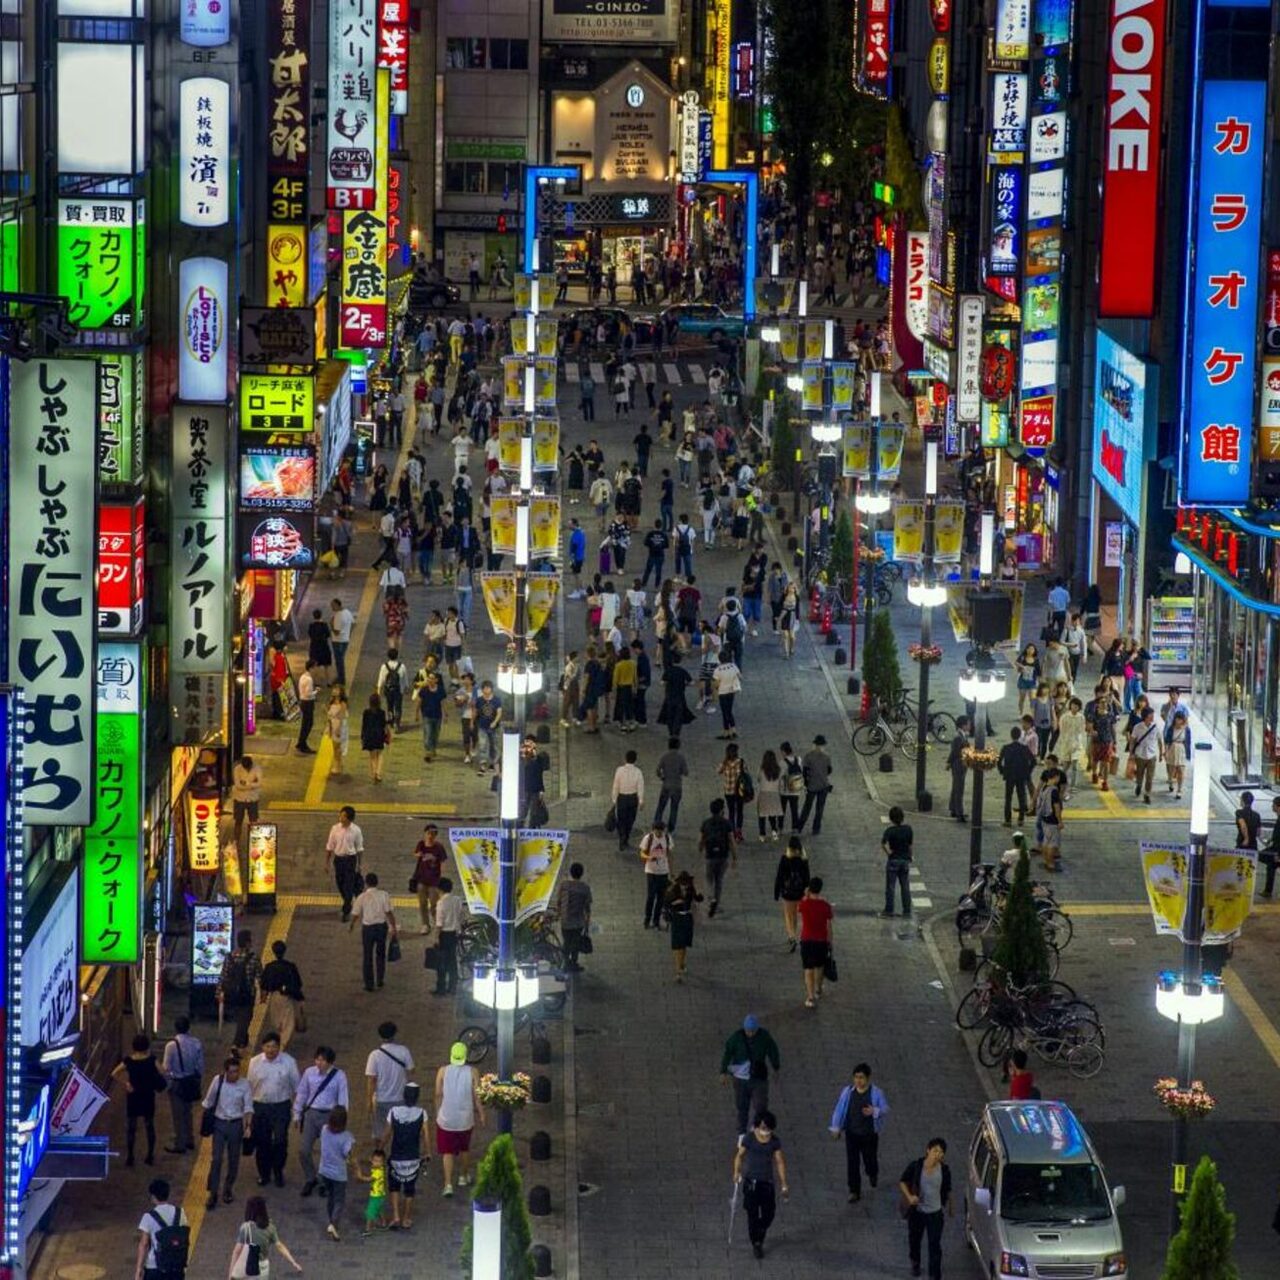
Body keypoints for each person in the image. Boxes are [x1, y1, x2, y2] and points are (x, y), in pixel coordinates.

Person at [828, 1062, 891, 1202]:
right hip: (852, 1134)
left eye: (861, 1077)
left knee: (870, 1160)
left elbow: (885, 1108)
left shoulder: (876, 1093)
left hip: (869, 1135)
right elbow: (839, 1109)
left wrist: (874, 1111)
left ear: (868, 1078)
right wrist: (836, 1127)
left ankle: (872, 1173)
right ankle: (854, 1190)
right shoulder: (848, 1092)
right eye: (856, 1077)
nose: (858, 1081)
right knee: (852, 1163)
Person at [732, 1110, 789, 1260]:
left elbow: (779, 1162)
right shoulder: (750, 1139)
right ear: (757, 1126)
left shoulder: (774, 1142)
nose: (765, 1131)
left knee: (769, 1214)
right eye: (762, 1127)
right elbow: (739, 1156)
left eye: (767, 1128)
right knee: (752, 1214)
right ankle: (757, 1242)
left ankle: (761, 1229)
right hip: (751, 1182)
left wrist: (784, 1184)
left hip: (767, 1183)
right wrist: (736, 1172)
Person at [201, 1055, 254, 1210]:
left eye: (237, 1071)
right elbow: (208, 1101)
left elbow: (248, 1107)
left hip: (236, 1125)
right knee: (216, 1159)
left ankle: (228, 1188)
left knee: (233, 1159)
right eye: (231, 1072)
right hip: (219, 1123)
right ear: (225, 1072)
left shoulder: (245, 1085)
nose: (234, 1075)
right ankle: (213, 1193)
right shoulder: (217, 1081)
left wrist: (248, 1126)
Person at [248, 1032, 300, 1190]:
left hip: (281, 1107)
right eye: (268, 1046)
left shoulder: (289, 1062)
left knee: (280, 1141)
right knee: (262, 1142)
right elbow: (249, 1087)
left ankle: (278, 1171)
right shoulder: (254, 1062)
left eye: (274, 1047)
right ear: (263, 1047)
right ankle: (264, 1174)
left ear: (279, 1047)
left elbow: (297, 1087)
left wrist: (297, 1111)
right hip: (260, 1107)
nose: (271, 1050)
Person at [295, 1046, 350, 1197]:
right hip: (312, 1114)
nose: (319, 1063)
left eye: (323, 1060)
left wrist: (341, 1119)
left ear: (330, 1062)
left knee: (327, 1152)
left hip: (330, 1116)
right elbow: (302, 1093)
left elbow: (343, 1098)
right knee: (304, 1150)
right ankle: (310, 1177)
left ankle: (324, 1181)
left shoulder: (339, 1076)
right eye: (317, 1059)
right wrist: (297, 1114)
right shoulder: (309, 1073)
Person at [899, 1138, 952, 1279]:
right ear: (928, 1150)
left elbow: (947, 1189)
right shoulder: (916, 1166)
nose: (937, 1154)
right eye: (935, 1151)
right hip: (917, 1212)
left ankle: (934, 1275)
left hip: (935, 1214)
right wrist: (910, 1197)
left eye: (941, 1152)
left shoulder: (944, 1171)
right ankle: (915, 1262)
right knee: (915, 1240)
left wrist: (950, 1206)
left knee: (934, 1245)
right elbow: (903, 1181)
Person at [435, 1042, 484, 1196]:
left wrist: (438, 1112)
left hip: (446, 1118)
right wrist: (482, 1113)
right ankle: (463, 1176)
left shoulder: (442, 1071)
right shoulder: (473, 1071)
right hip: (465, 1118)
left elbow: (438, 1094)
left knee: (447, 1152)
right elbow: (477, 1096)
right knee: (464, 1148)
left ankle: (448, 1184)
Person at [720, 1015, 781, 1135]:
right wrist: (723, 1071)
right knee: (742, 1107)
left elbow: (773, 1051)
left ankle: (757, 1128)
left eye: (753, 1031)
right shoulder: (736, 1038)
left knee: (760, 1105)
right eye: (748, 1031)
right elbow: (728, 1053)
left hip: (758, 1077)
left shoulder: (764, 1037)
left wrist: (776, 1067)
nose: (751, 1033)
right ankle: (741, 1134)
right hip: (740, 1078)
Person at [112, 1033, 166, 1166]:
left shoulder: (129, 1060)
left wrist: (126, 1083)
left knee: (131, 1127)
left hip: (133, 1095)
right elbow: (163, 1071)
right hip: (148, 1095)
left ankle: (130, 1156)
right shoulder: (152, 1059)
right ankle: (150, 1155)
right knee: (149, 1125)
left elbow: (114, 1073)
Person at [384, 1081, 429, 1230]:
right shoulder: (422, 1113)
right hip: (413, 1158)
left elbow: (387, 1133)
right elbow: (426, 1136)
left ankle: (396, 1215)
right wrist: (427, 1152)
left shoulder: (393, 1111)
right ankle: (406, 1218)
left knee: (394, 1187)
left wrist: (379, 1148)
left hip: (396, 1156)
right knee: (410, 1189)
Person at [229, 1195, 303, 1276]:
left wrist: (230, 1274)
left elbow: (236, 1252)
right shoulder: (270, 1227)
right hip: (263, 1267)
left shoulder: (246, 1228)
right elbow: (279, 1246)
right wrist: (293, 1262)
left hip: (248, 1266)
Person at [365, 1021, 415, 1140]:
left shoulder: (374, 1055)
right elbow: (411, 1070)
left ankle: (379, 1154)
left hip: (381, 1099)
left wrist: (368, 1101)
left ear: (380, 1036)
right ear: (394, 1035)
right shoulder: (404, 1051)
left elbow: (371, 1080)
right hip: (400, 1098)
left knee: (379, 1133)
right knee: (399, 1131)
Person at [350, 872, 398, 993]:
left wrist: (351, 925)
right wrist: (393, 927)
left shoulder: (362, 897)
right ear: (377, 882)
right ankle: (380, 979)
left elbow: (355, 913)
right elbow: (389, 912)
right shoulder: (384, 895)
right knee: (380, 954)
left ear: (366, 883)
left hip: (368, 929)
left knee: (367, 956)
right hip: (381, 927)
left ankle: (369, 984)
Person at [162, 1017, 204, 1153]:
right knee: (188, 1112)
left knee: (177, 1115)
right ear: (188, 1028)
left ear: (175, 1028)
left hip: (177, 1083)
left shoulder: (171, 1045)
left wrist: (168, 1082)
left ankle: (180, 1143)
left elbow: (166, 1068)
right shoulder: (196, 1043)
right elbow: (200, 1066)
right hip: (190, 1081)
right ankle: (190, 1139)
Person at [135, 1178, 189, 1280]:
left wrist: (139, 1269)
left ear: (153, 1197)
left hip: (155, 1267)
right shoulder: (180, 1213)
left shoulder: (148, 1217)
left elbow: (144, 1244)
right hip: (176, 1267)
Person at [217, 930, 262, 1050]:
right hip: (247, 994)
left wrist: (219, 993)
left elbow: (223, 976)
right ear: (248, 943)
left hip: (231, 993)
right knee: (245, 1018)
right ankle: (236, 1045)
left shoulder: (229, 957)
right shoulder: (254, 958)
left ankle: (243, 1041)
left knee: (241, 1017)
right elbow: (259, 977)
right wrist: (263, 994)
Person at [259, 939, 305, 1050]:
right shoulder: (290, 966)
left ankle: (280, 1040)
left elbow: (263, 985)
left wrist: (263, 997)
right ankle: (282, 1044)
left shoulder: (269, 967)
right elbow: (298, 983)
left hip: (274, 997)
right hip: (287, 997)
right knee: (288, 1022)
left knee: (277, 1021)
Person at [319, 1104, 356, 1241]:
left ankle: (331, 1221)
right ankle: (334, 1223)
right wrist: (356, 1168)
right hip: (339, 1175)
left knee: (331, 1198)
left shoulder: (324, 1130)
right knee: (339, 1200)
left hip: (324, 1171)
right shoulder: (347, 1137)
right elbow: (349, 1155)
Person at [798, 876, 834, 1008]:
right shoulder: (825, 906)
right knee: (820, 967)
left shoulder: (804, 904)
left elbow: (799, 907)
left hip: (807, 940)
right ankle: (818, 988)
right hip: (821, 941)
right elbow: (829, 926)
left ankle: (810, 996)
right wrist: (830, 941)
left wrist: (806, 894)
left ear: (809, 888)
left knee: (808, 968)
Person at [326, 804, 364, 922]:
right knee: (340, 884)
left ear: (349, 819)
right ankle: (348, 900)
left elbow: (359, 848)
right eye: (340, 815)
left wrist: (360, 864)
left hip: (350, 860)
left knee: (348, 887)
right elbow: (330, 846)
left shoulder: (356, 830)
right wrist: (326, 863)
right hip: (338, 860)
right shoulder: (335, 829)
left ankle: (346, 910)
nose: (340, 818)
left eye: (343, 816)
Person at [700, 797, 736, 917]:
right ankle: (717, 902)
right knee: (719, 880)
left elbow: (702, 839)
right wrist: (735, 857)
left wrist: (701, 849)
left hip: (710, 855)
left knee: (709, 879)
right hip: (723, 855)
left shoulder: (706, 823)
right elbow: (731, 841)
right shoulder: (726, 823)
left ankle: (711, 899)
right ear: (721, 810)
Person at [772, 835, 810, 951]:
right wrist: (806, 892)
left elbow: (779, 877)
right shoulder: (803, 860)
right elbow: (807, 878)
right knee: (795, 915)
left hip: (787, 893)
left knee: (788, 915)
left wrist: (776, 892)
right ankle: (794, 934)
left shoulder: (785, 859)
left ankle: (791, 936)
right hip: (799, 892)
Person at [664, 869, 701, 982]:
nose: (685, 886)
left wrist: (700, 896)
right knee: (677, 944)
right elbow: (666, 904)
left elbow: (696, 898)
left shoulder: (690, 888)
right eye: (683, 883)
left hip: (687, 917)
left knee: (684, 944)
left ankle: (681, 963)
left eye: (686, 883)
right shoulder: (672, 890)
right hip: (677, 918)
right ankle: (678, 970)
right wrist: (675, 903)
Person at [557, 862, 593, 970]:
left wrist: (560, 912)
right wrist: (587, 922)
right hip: (578, 921)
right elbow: (587, 906)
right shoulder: (585, 888)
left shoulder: (564, 885)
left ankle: (565, 962)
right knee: (575, 943)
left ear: (571, 873)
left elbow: (559, 901)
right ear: (581, 874)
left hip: (565, 920)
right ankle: (573, 963)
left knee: (566, 941)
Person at [432, 876, 464, 996]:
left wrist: (435, 938)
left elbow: (439, 923)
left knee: (441, 962)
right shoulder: (457, 900)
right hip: (455, 934)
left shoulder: (441, 903)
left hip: (444, 935)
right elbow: (461, 915)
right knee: (452, 961)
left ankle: (441, 988)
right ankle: (452, 987)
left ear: (440, 889)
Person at [412, 823, 447, 932]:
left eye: (433, 834)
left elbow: (443, 862)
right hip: (421, 879)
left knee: (434, 905)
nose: (430, 836)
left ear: (436, 835)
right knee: (422, 903)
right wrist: (419, 855)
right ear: (425, 834)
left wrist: (441, 877)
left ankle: (438, 924)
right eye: (428, 834)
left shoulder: (439, 847)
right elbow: (415, 853)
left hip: (434, 881)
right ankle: (425, 925)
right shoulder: (421, 844)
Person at [880, 806, 914, 917]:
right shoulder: (908, 829)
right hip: (904, 860)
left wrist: (889, 853)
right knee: (905, 886)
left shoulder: (890, 831)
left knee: (890, 887)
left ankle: (889, 910)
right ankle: (907, 910)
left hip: (894, 860)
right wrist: (910, 856)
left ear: (891, 818)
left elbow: (883, 843)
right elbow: (910, 845)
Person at [997, 726, 1036, 825]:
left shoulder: (1006, 748)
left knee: (1008, 797)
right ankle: (1021, 819)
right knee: (1021, 797)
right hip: (1021, 776)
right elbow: (1033, 761)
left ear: (1011, 736)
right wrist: (1027, 772)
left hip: (1009, 775)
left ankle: (1008, 819)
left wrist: (1002, 771)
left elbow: (999, 762)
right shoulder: (1024, 748)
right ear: (1019, 736)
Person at [638, 821, 673, 929]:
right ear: (653, 830)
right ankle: (647, 919)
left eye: (660, 831)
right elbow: (642, 853)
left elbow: (670, 854)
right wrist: (649, 858)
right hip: (651, 871)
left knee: (661, 898)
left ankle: (656, 921)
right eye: (656, 831)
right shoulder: (648, 838)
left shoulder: (667, 838)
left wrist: (671, 870)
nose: (658, 833)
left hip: (663, 871)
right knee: (651, 897)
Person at [797, 735, 833, 835]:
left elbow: (804, 772)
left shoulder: (808, 756)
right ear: (823, 746)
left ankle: (800, 827)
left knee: (807, 807)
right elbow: (829, 770)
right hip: (823, 786)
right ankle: (816, 829)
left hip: (812, 786)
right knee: (819, 809)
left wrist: (805, 783)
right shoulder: (827, 757)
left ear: (814, 744)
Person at [611, 749, 645, 851]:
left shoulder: (619, 770)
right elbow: (640, 787)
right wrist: (641, 800)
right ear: (635, 760)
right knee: (630, 820)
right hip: (632, 799)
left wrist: (614, 799)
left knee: (621, 820)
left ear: (625, 759)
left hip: (622, 798)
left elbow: (616, 786)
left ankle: (622, 838)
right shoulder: (638, 772)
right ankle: (626, 837)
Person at [653, 737, 688, 832]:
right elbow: (686, 772)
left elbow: (657, 770)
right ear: (678, 746)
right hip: (677, 785)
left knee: (661, 806)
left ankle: (656, 823)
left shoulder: (665, 756)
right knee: (674, 808)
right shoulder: (681, 757)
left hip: (666, 785)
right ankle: (671, 827)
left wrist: (662, 777)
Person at [1129, 704, 1162, 804]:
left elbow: (1160, 740)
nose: (1152, 717)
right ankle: (1139, 784)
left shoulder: (1156, 727)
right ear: (1145, 716)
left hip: (1152, 755)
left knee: (1150, 777)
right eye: (1150, 715)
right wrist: (1132, 753)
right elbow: (1132, 740)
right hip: (1140, 755)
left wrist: (1161, 753)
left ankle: (1147, 794)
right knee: (1140, 774)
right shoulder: (1137, 727)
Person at [713, 646, 742, 739]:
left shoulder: (718, 670)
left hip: (722, 692)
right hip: (731, 691)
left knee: (725, 712)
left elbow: (716, 684)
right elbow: (740, 676)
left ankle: (727, 732)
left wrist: (715, 690)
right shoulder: (733, 666)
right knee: (729, 711)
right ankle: (733, 730)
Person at [361, 691, 390, 783]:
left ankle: (373, 773)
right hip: (379, 735)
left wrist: (362, 737)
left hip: (369, 735)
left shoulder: (366, 712)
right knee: (380, 754)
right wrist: (387, 734)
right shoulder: (382, 712)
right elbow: (384, 725)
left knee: (372, 756)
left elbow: (364, 725)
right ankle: (378, 773)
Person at [945, 717, 970, 822]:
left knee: (956, 787)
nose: (970, 726)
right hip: (958, 765)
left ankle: (954, 808)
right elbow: (955, 752)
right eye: (968, 724)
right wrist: (949, 762)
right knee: (959, 788)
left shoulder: (962, 736)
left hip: (961, 765)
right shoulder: (958, 738)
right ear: (963, 725)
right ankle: (959, 812)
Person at [756, 749, 784, 840]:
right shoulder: (778, 770)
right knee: (773, 815)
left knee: (762, 816)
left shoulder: (762, 769)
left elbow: (758, 779)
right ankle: (774, 832)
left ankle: (762, 835)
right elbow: (781, 783)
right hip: (774, 794)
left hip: (764, 794)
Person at [231, 755, 263, 837]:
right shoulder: (237, 769)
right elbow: (238, 785)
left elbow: (259, 783)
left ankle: (254, 841)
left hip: (253, 799)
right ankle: (236, 841)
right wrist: (252, 784)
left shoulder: (257, 768)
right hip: (239, 798)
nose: (247, 769)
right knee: (238, 821)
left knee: (253, 821)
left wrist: (245, 783)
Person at [329, 598, 354, 687]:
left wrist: (331, 624)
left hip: (338, 641)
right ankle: (340, 677)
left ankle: (341, 678)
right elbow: (353, 623)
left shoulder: (339, 616)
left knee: (339, 661)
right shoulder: (347, 612)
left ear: (337, 605)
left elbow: (336, 631)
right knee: (340, 659)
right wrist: (348, 633)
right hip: (345, 640)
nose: (331, 607)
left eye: (332, 606)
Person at [295, 660, 318, 752]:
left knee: (305, 724)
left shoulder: (302, 677)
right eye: (315, 667)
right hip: (308, 702)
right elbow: (308, 693)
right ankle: (302, 743)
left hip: (303, 702)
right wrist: (316, 691)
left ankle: (301, 742)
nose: (316, 669)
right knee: (308, 723)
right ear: (311, 668)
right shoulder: (309, 679)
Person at [326, 686, 350, 776]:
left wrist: (338, 729)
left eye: (337, 689)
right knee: (334, 747)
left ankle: (338, 766)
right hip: (333, 725)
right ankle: (338, 765)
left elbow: (341, 716)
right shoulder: (331, 702)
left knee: (338, 747)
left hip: (340, 726)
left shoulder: (343, 704)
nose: (334, 691)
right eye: (334, 689)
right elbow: (329, 716)